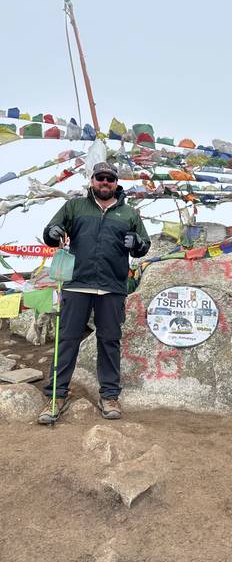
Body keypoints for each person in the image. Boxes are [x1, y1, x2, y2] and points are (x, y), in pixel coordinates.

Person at [37, 162, 151, 424]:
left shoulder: (129, 213)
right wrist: (53, 233)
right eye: (100, 178)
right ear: (92, 181)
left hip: (111, 287)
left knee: (109, 342)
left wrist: (138, 243)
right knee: (67, 340)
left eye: (110, 179)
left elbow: (143, 245)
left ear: (116, 183)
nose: (105, 182)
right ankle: (56, 395)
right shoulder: (74, 207)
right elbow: (52, 232)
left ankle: (109, 396)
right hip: (76, 283)